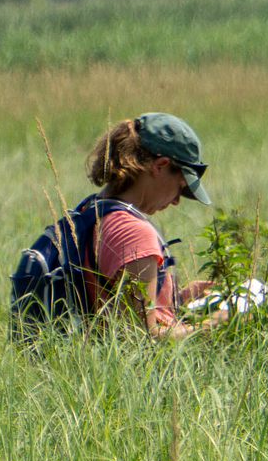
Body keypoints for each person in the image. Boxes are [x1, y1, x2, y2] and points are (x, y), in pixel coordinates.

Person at [81, 112, 224, 340]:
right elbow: (145, 338)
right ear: (160, 166)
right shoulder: (133, 232)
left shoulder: (92, 210)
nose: (177, 200)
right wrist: (215, 324)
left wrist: (179, 298)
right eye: (180, 186)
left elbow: (110, 303)